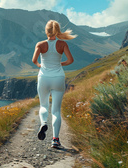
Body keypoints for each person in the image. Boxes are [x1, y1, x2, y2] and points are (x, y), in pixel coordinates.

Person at [32, 20, 75, 148]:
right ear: (57, 30)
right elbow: (70, 60)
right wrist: (60, 64)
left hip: (44, 77)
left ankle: (43, 123)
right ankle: (55, 140)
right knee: (56, 110)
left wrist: (40, 65)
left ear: (46, 31)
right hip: (58, 78)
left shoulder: (40, 44)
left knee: (43, 105)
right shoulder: (62, 44)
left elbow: (34, 60)